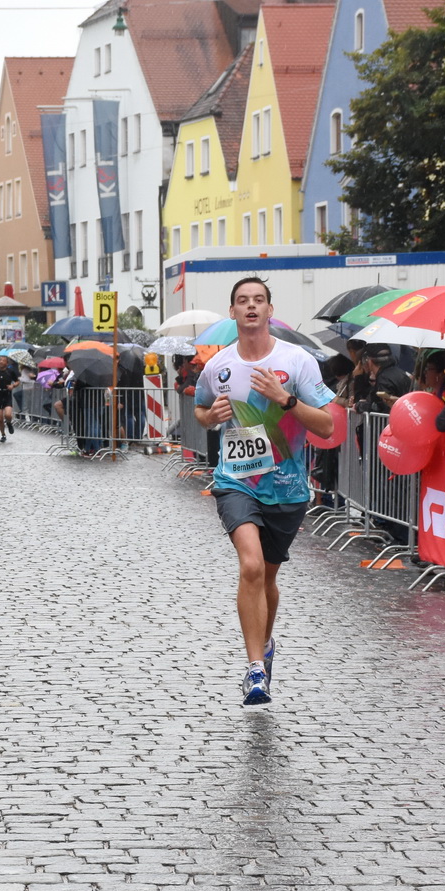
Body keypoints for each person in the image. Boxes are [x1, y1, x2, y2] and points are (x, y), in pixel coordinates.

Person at [193, 277, 335, 707]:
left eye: (259, 300)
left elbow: (328, 426)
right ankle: (256, 669)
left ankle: (266, 645)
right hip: (236, 480)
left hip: (287, 487)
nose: (251, 307)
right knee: (251, 566)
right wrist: (209, 415)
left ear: (270, 310)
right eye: (242, 301)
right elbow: (200, 409)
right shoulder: (218, 366)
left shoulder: (299, 361)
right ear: (233, 312)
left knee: (268, 576)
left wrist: (286, 399)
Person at [0, 355, 19, 442]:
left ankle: (9, 423)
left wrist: (12, 385)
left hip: (7, 394)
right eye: (0, 360)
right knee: (0, 418)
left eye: (3, 360)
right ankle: (3, 435)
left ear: (6, 363)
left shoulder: (10, 372)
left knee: (8, 415)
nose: (1, 362)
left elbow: (17, 381)